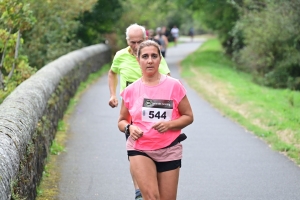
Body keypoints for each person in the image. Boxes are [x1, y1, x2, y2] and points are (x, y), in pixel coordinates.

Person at [118, 40, 194, 200]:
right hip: (140, 148)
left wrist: (170, 124)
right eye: (145, 56)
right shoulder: (130, 90)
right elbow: (122, 121)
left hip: (169, 149)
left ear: (160, 59)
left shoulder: (175, 86)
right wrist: (129, 128)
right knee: (152, 197)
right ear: (138, 60)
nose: (150, 60)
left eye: (154, 56)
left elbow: (188, 116)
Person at [108, 23, 171, 200]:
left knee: (155, 146)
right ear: (127, 40)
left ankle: (154, 181)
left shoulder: (151, 54)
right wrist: (113, 94)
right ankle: (139, 191)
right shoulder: (120, 56)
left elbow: (168, 78)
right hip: (131, 111)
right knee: (134, 149)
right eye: (132, 42)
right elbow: (112, 73)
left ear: (146, 38)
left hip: (153, 108)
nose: (136, 46)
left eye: (140, 41)